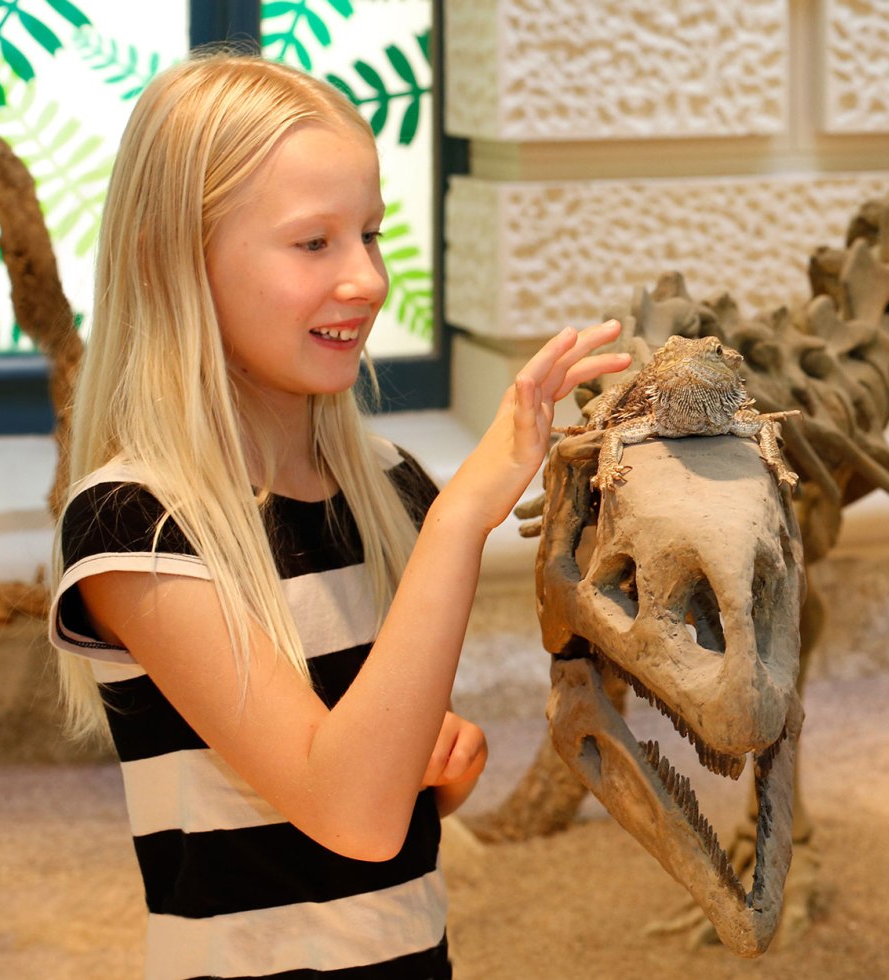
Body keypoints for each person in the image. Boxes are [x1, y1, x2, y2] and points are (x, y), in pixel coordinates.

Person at [46, 53, 628, 980]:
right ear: (177, 256)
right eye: (313, 243)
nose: (364, 278)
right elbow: (348, 812)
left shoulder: (391, 485)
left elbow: (375, 779)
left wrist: (441, 769)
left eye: (370, 235)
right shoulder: (133, 525)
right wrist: (464, 518)